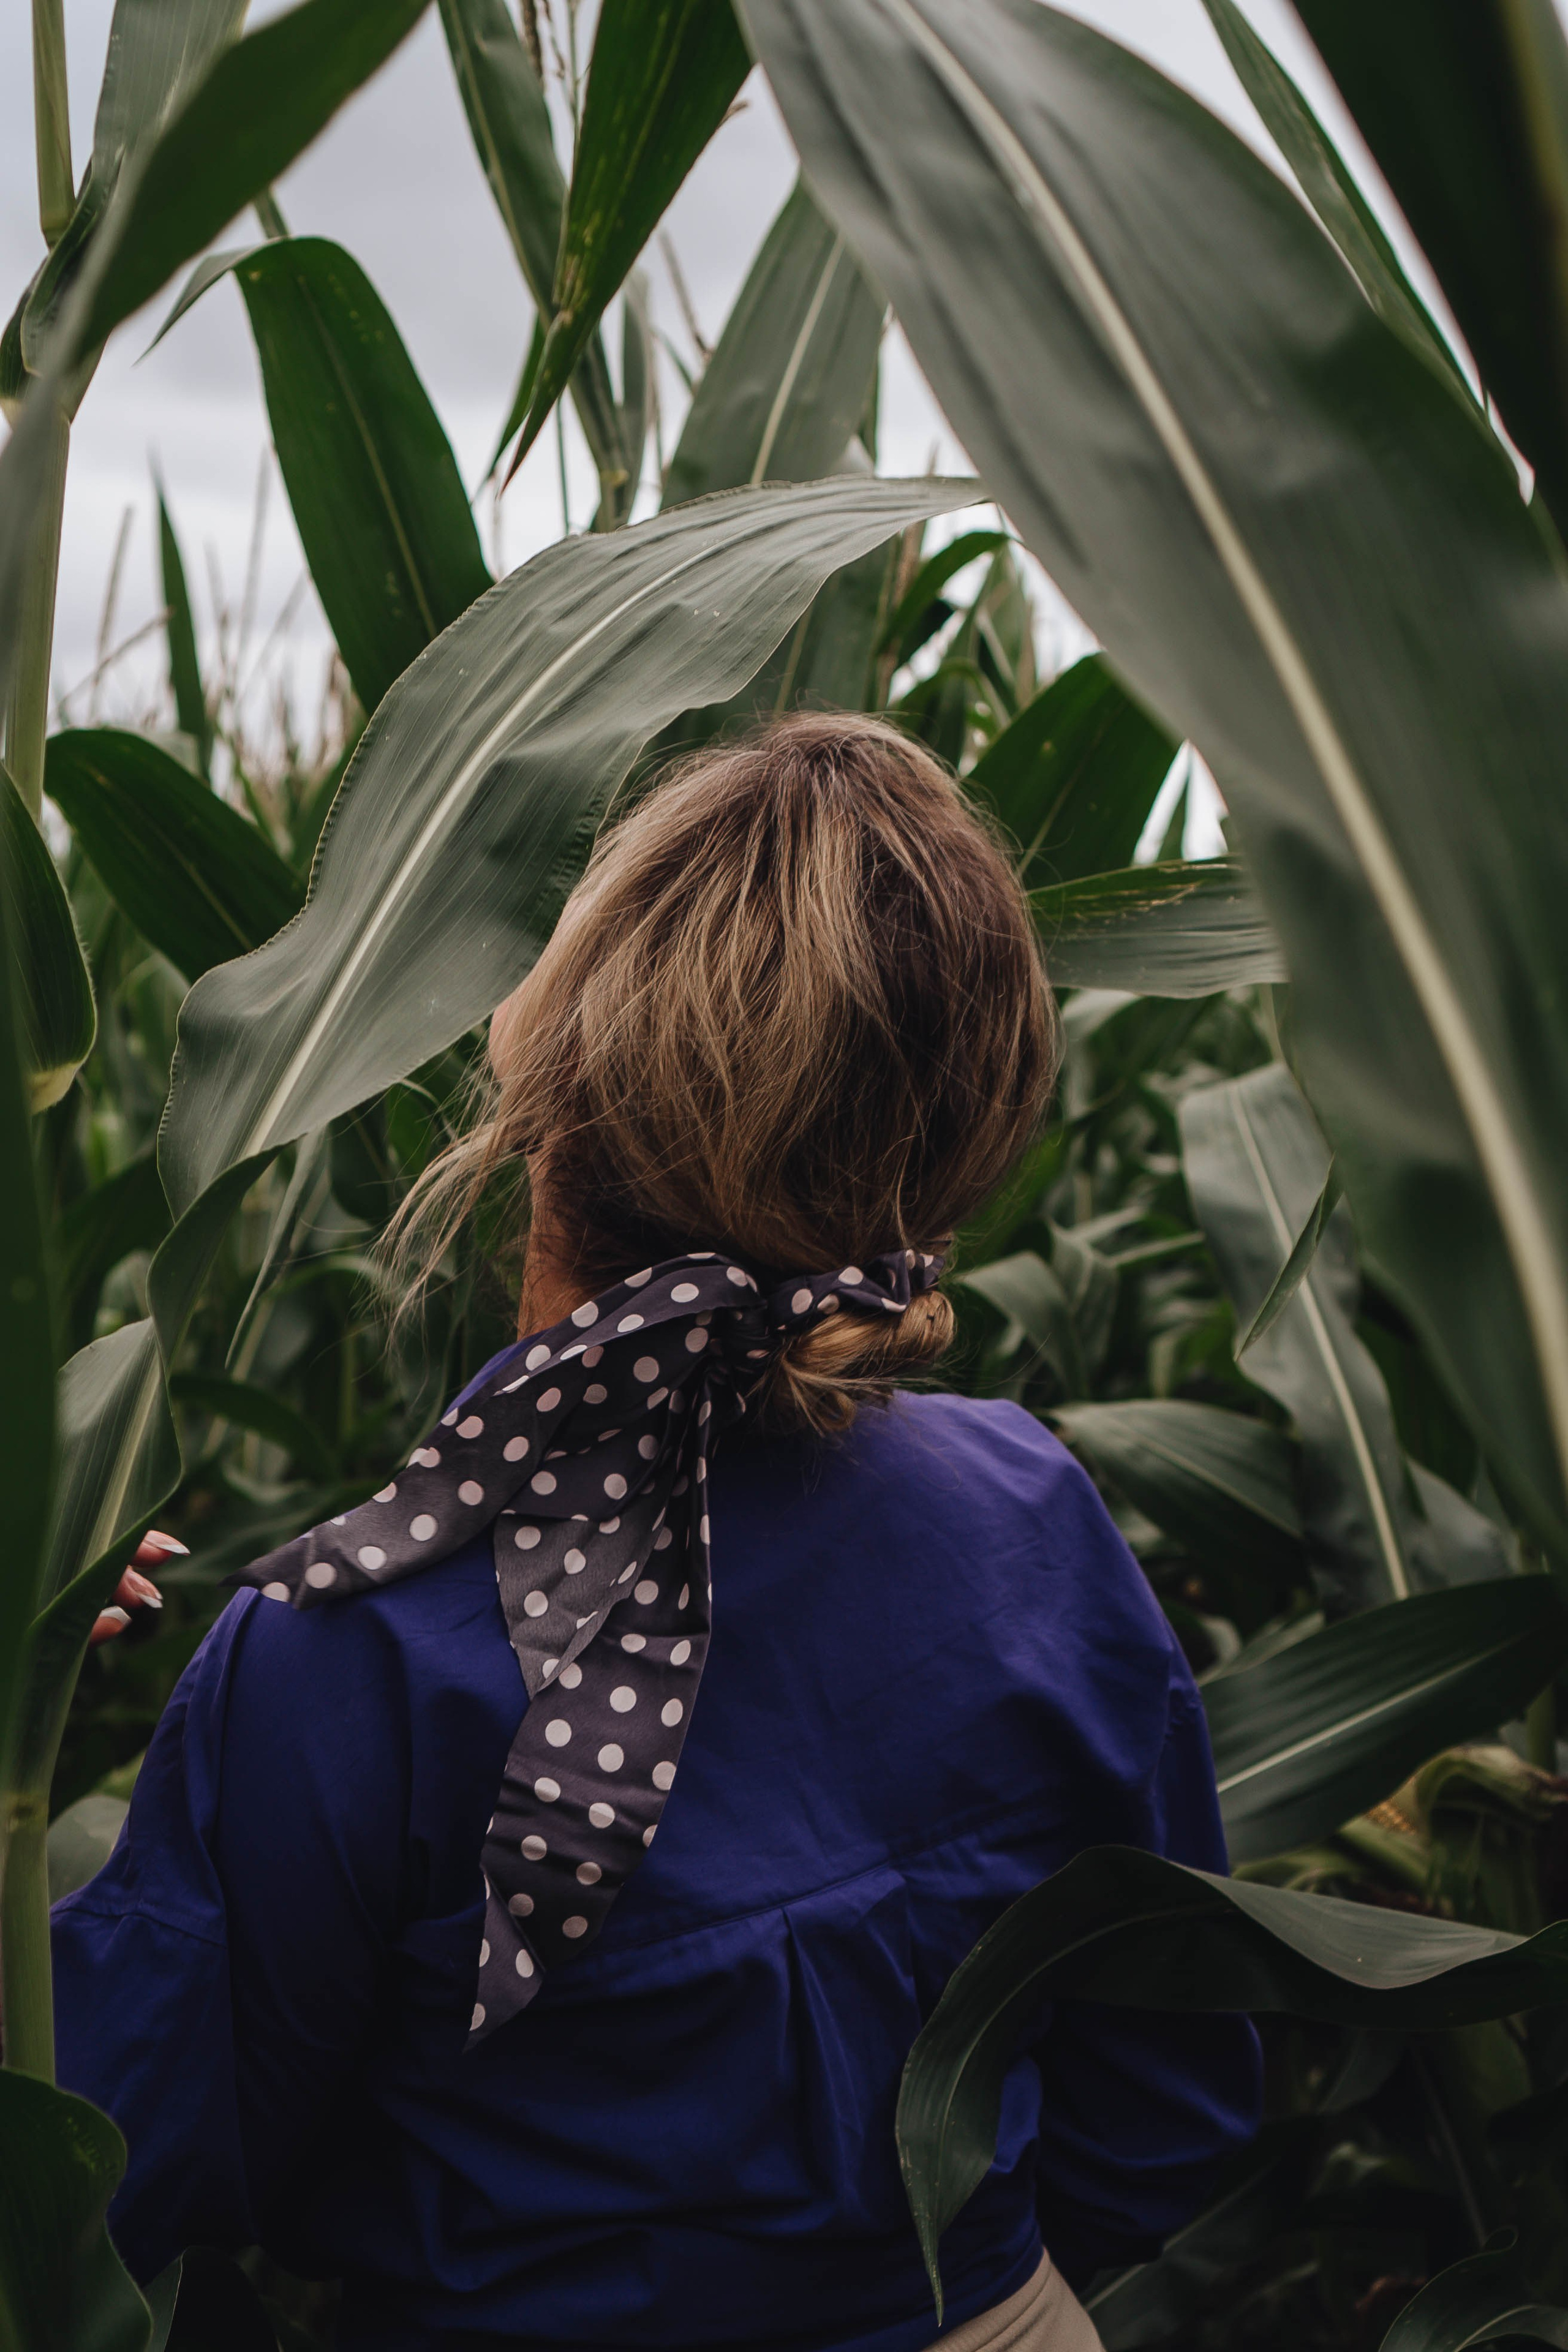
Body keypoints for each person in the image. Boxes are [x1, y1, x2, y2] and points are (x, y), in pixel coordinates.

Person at [55, 716, 1259, 2351]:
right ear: (955, 1134)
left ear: (540, 1087)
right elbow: (1170, 2094)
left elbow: (102, 2190)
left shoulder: (352, 1650)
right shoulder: (1029, 1513)